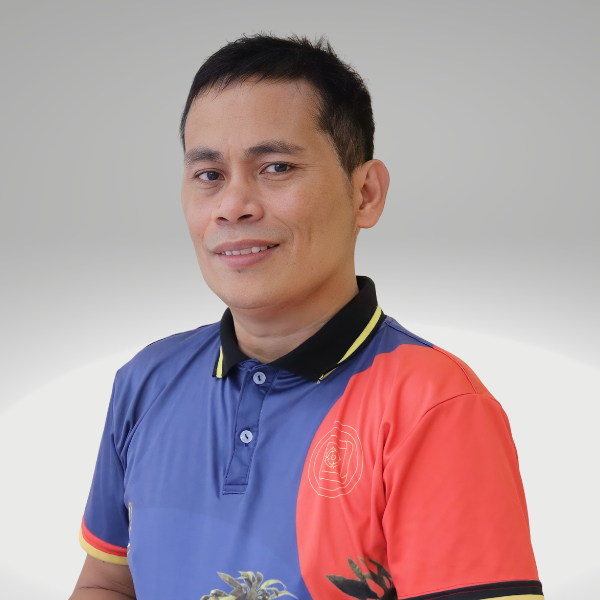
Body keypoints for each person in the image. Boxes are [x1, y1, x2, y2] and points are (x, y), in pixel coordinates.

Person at [70, 34, 544, 600]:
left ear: (365, 193)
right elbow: (107, 585)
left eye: (276, 167)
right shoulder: (146, 382)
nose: (233, 206)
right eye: (210, 175)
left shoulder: (436, 406)